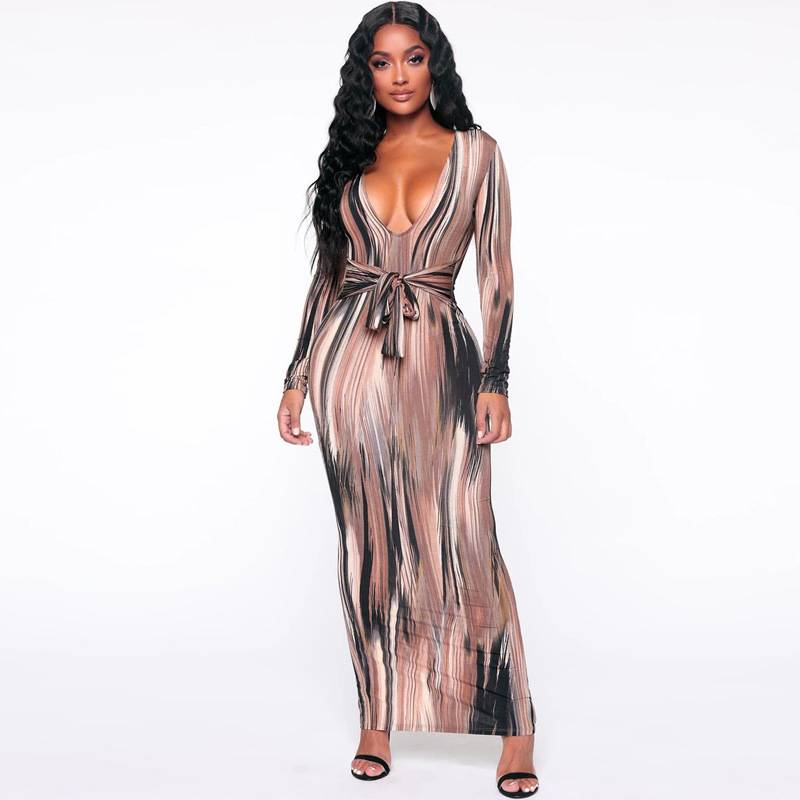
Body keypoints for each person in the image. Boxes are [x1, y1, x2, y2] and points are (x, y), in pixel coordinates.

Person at [277, 3, 539, 796]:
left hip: (441, 359)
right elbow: (328, 275)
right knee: (369, 545)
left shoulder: (477, 152)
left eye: (413, 58)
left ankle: (515, 726)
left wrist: (495, 379)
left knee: (464, 535)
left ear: (436, 65)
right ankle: (377, 718)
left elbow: (496, 272)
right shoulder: (350, 154)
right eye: (382, 61)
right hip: (349, 366)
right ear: (365, 72)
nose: (398, 76)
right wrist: (296, 375)